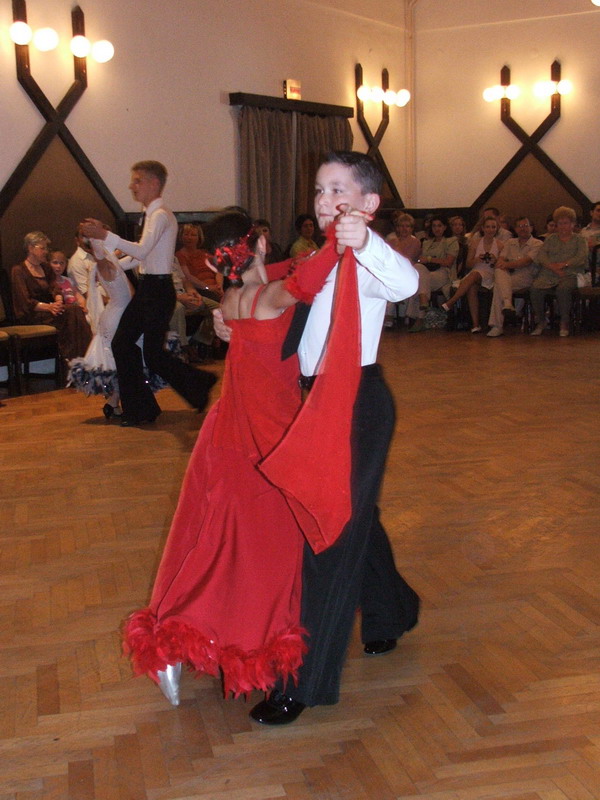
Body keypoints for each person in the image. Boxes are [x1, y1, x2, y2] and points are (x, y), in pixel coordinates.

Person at [122, 211, 341, 703]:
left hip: (229, 432)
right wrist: (340, 239)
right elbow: (307, 275)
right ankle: (234, 640)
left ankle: (175, 642)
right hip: (268, 439)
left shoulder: (232, 298)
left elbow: (292, 269)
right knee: (260, 554)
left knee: (214, 545)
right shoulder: (270, 297)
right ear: (259, 242)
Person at [248, 151, 420, 725]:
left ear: (368, 203)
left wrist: (367, 242)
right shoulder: (316, 258)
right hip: (312, 402)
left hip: (354, 407)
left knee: (330, 538)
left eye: (338, 190)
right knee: (355, 519)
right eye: (320, 190)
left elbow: (407, 284)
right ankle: (393, 610)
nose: (325, 200)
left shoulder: (366, 259)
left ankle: (302, 682)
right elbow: (285, 309)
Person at [81, 160, 216, 426]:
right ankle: (152, 404)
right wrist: (107, 268)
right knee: (130, 347)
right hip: (151, 289)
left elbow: (141, 250)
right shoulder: (153, 215)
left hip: (157, 291)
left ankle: (189, 388)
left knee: (143, 352)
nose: (132, 186)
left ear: (154, 184)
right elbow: (142, 257)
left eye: (137, 180)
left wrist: (105, 234)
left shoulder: (160, 215)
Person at [11, 231, 92, 362]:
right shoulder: (18, 270)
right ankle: (75, 359)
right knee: (72, 312)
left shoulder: (46, 268)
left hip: (51, 310)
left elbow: (55, 288)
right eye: (42, 248)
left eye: (46, 248)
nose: (46, 252)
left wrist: (58, 301)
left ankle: (80, 358)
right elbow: (24, 302)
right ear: (30, 248)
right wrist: (49, 307)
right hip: (32, 313)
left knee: (76, 310)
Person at [529, 206, 588, 338]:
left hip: (570, 273)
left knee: (563, 289)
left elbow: (581, 257)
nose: (562, 226)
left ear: (572, 224)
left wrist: (565, 264)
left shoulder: (580, 239)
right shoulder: (551, 239)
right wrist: (552, 267)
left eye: (566, 223)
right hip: (549, 272)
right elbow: (542, 256)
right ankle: (541, 321)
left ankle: (564, 322)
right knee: (535, 288)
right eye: (560, 223)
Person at [442, 216, 503, 333]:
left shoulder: (500, 245)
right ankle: (475, 324)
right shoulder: (475, 243)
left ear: (497, 229)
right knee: (472, 286)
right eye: (488, 227)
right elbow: (468, 264)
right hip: (476, 272)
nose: (490, 230)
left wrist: (494, 260)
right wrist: (477, 259)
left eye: (493, 227)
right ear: (483, 228)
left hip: (490, 274)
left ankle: (451, 302)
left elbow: (501, 265)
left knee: (474, 276)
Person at [486, 217, 542, 337]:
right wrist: (502, 264)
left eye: (526, 226)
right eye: (520, 226)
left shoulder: (537, 243)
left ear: (531, 228)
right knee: (499, 272)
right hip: (509, 275)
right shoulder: (510, 242)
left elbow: (526, 261)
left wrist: (506, 265)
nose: (523, 229)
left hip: (527, 276)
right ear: (515, 229)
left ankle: (497, 325)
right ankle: (507, 303)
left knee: (498, 286)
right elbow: (501, 259)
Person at [410, 215, 458, 331]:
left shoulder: (451, 241)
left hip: (444, 272)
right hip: (427, 272)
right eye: (434, 226)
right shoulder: (427, 242)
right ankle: (423, 302)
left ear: (445, 227)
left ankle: (419, 317)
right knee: (418, 268)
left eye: (439, 226)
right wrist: (423, 260)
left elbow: (448, 262)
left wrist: (430, 259)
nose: (437, 229)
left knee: (418, 283)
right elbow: (421, 260)